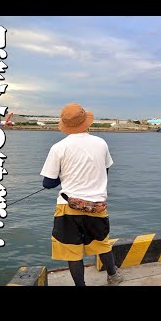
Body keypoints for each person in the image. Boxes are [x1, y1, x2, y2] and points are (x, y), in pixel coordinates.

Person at [40, 103, 123, 286]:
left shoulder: (58, 148)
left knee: (72, 252)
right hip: (96, 206)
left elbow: (48, 183)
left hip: (68, 207)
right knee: (102, 244)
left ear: (65, 125)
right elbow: (105, 171)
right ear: (86, 122)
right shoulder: (101, 143)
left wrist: (65, 176)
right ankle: (113, 276)